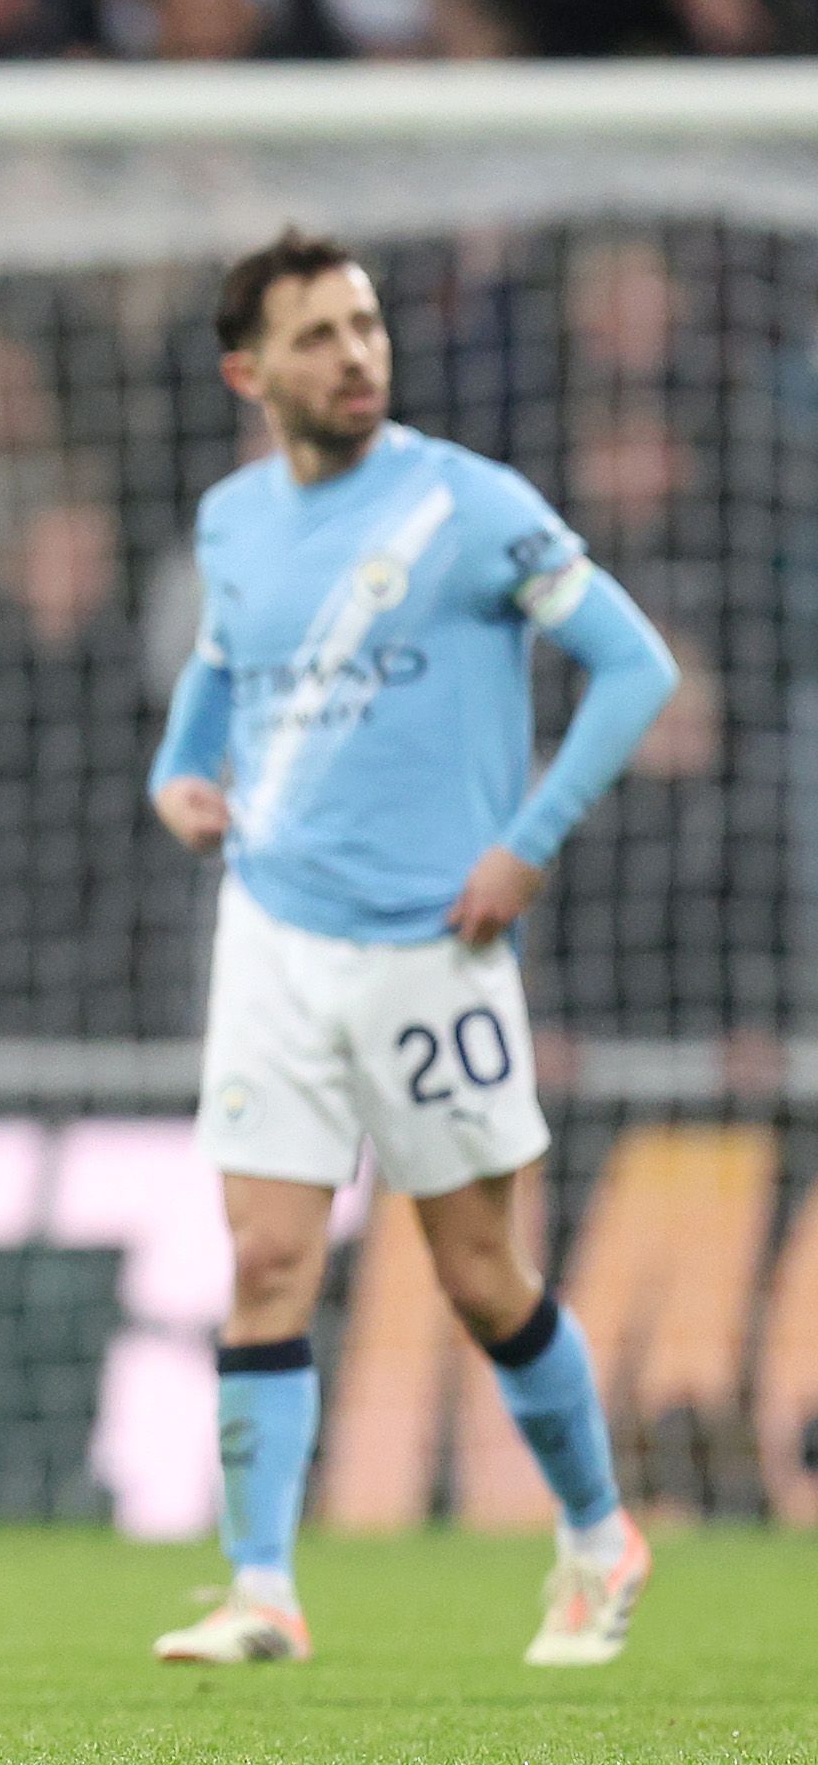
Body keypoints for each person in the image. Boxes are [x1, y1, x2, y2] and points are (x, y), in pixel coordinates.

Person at [145, 229, 679, 1668]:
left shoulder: (470, 503)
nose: (356, 354)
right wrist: (178, 782)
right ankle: (262, 1587)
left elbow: (637, 666)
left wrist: (530, 840)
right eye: (318, 334)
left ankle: (599, 1535)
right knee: (268, 1255)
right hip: (270, 933)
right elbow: (214, 686)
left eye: (366, 325)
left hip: (431, 948)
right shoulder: (233, 523)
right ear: (250, 373)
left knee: (481, 1273)